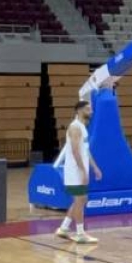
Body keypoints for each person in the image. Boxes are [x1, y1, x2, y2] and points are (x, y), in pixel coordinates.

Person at [55, 100, 102, 244]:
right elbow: (75, 151)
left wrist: (95, 167)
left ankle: (64, 228)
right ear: (79, 110)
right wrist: (82, 171)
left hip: (79, 170)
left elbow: (85, 151)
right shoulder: (75, 127)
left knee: (81, 200)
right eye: (88, 109)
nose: (91, 111)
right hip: (74, 171)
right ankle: (80, 234)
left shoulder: (83, 127)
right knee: (80, 200)